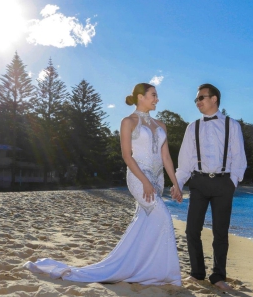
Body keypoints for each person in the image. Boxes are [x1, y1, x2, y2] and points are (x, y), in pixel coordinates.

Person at [24, 83, 182, 286]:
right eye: (153, 95)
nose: (157, 99)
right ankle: (167, 275)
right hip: (138, 178)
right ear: (141, 97)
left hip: (157, 180)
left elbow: (166, 157)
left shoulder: (162, 125)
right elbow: (127, 156)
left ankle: (145, 269)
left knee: (147, 224)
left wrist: (175, 184)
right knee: (164, 217)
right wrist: (144, 182)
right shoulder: (128, 122)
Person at [171, 84, 247, 291]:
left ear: (214, 99)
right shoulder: (192, 127)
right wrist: (177, 185)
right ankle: (197, 273)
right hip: (199, 183)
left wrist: (232, 182)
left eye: (201, 98)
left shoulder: (233, 125)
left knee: (220, 233)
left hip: (224, 183)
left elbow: (239, 158)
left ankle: (218, 276)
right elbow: (185, 161)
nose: (198, 102)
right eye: (196, 99)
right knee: (191, 230)